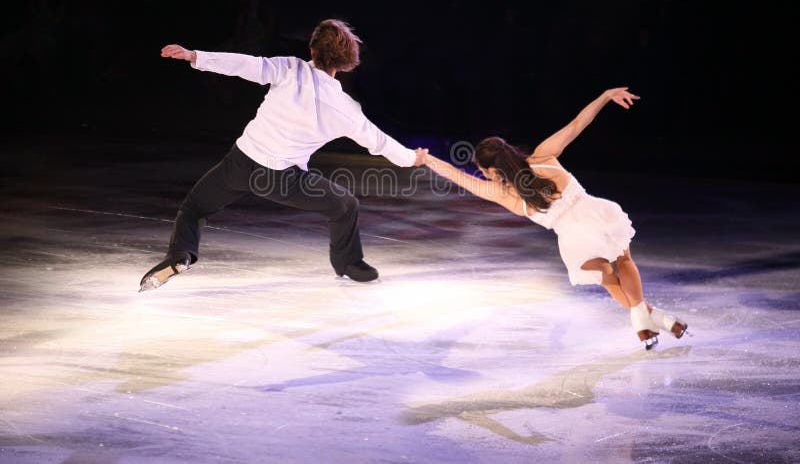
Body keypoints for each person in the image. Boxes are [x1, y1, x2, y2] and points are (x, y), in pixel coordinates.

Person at [139, 19, 426, 292]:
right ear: (346, 61)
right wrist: (412, 158)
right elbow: (379, 141)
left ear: (312, 49)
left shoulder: (289, 68)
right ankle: (349, 263)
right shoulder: (345, 108)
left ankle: (181, 255)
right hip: (280, 179)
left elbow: (244, 64)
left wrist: (195, 56)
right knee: (345, 205)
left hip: (239, 164)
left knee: (194, 209)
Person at [421, 87, 688, 349]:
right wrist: (604, 97)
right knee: (624, 260)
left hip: (574, 240)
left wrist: (425, 159)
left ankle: (653, 324)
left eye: (484, 171)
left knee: (608, 279)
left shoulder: (506, 195)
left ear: (492, 171)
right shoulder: (543, 156)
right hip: (595, 214)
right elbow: (576, 125)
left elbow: (459, 177)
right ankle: (649, 320)